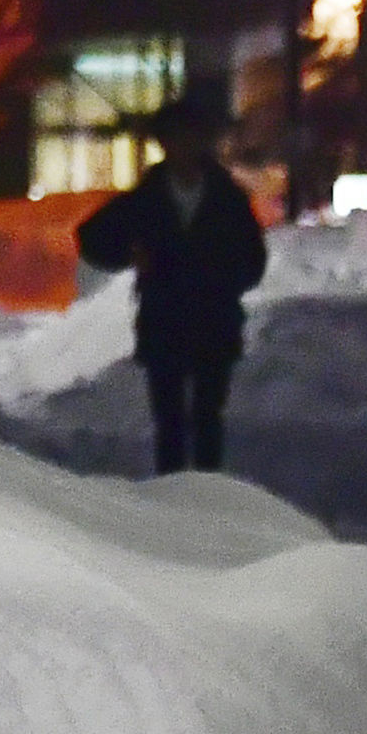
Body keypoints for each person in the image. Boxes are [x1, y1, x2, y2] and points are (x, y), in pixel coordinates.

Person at [76, 97, 267, 475]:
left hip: (214, 320)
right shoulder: (146, 198)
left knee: (208, 417)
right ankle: (174, 498)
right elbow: (92, 237)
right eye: (176, 139)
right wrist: (131, 254)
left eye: (192, 138)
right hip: (165, 319)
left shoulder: (227, 199)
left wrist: (220, 280)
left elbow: (252, 260)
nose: (185, 147)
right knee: (170, 421)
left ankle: (207, 493)